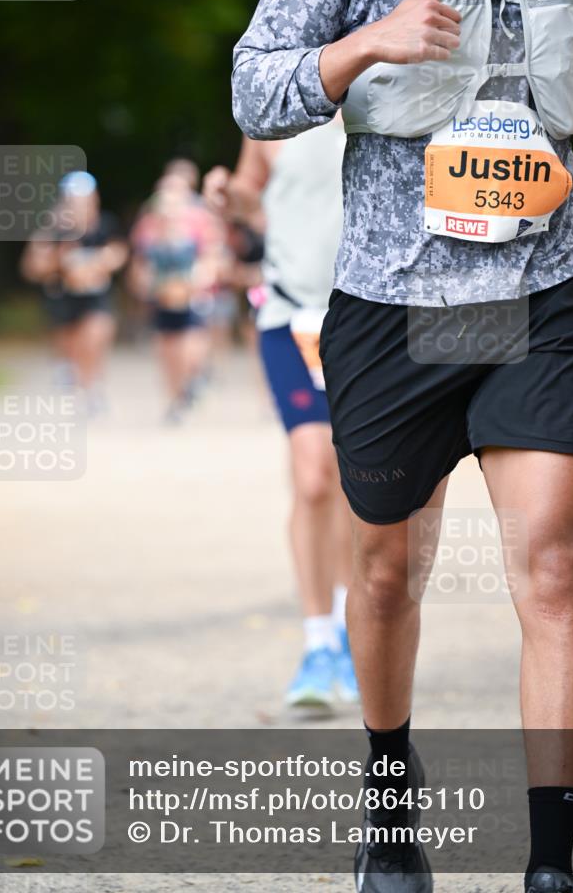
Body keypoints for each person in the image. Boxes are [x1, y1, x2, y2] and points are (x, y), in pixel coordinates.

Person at [232, 0, 573, 891]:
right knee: (388, 571)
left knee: (555, 567)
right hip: (396, 305)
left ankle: (548, 866)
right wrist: (365, 44)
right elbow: (255, 91)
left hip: (544, 298)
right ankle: (389, 805)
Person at [204, 117, 359, 710]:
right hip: (289, 312)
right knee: (313, 475)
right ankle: (317, 642)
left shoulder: (386, 87)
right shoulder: (280, 98)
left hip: (364, 314)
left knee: (357, 479)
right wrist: (228, 193)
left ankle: (352, 628)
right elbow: (252, 192)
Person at [21, 171, 127, 409]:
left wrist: (101, 262)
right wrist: (59, 260)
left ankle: (92, 390)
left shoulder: (105, 225)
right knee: (73, 350)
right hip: (63, 299)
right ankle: (78, 384)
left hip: (96, 297)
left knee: (95, 338)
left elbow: (120, 252)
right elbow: (32, 267)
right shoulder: (52, 229)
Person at [129, 170, 221, 424]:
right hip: (162, 299)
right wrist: (146, 286)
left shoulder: (199, 222)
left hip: (192, 299)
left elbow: (210, 257)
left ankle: (191, 381)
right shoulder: (148, 228)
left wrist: (198, 281)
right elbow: (141, 264)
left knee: (190, 352)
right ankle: (174, 399)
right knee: (167, 351)